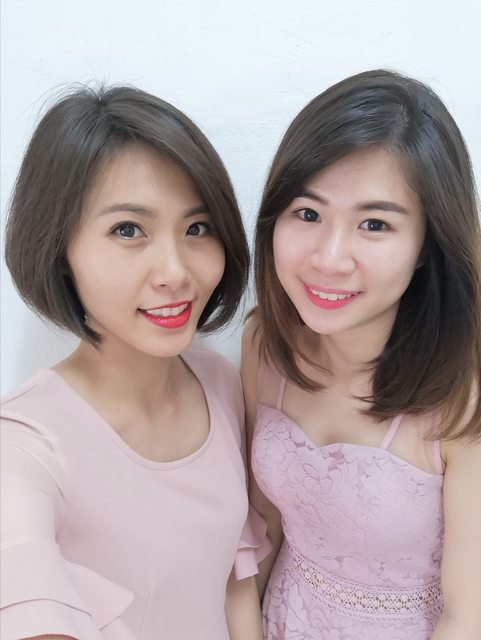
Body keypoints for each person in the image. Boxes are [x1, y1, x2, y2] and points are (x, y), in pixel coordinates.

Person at [0, 85, 270, 640]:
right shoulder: (25, 445)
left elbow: (233, 578)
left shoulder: (219, 380)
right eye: (128, 230)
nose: (175, 271)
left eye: (197, 228)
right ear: (59, 249)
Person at [242, 69, 481, 639]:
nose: (329, 258)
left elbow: (467, 616)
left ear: (425, 246)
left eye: (374, 224)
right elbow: (260, 529)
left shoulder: (464, 395)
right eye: (307, 214)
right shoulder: (263, 345)